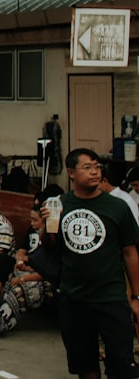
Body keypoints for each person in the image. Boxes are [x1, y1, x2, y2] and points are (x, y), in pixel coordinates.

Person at [45, 148, 139, 379]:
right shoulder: (60, 204)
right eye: (87, 167)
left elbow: (130, 252)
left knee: (121, 364)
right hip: (74, 298)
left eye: (97, 167)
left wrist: (136, 297)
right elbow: (51, 247)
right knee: (85, 364)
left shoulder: (117, 207)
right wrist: (47, 225)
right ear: (71, 173)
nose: (95, 172)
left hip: (111, 298)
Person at [0, 206, 60, 339]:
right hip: (31, 270)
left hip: (45, 280)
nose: (32, 224)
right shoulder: (36, 234)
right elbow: (31, 257)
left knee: (19, 290)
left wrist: (23, 279)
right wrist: (23, 262)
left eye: (35, 220)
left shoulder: (55, 241)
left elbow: (50, 272)